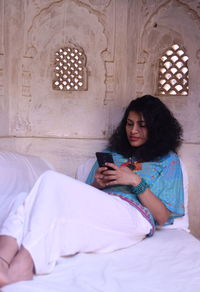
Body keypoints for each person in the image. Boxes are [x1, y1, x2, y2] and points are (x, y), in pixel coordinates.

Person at [0, 95, 184, 287]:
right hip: (103, 207)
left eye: (142, 125)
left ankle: (24, 264)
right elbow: (82, 196)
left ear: (156, 128)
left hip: (135, 217)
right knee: (25, 197)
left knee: (50, 179)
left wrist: (135, 181)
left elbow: (162, 217)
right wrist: (97, 184)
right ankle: (2, 260)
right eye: (129, 124)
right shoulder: (113, 154)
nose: (133, 130)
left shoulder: (167, 161)